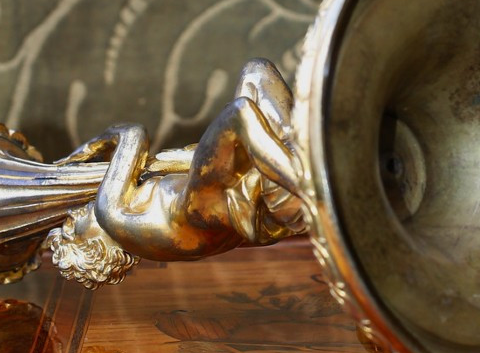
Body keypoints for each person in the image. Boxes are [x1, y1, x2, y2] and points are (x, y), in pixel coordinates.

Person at [45, 59, 307, 287]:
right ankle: (302, 182)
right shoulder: (110, 216)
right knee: (240, 112)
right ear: (92, 245)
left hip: (223, 208)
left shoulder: (146, 240)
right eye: (72, 227)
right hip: (200, 205)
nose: (75, 213)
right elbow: (131, 134)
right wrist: (93, 146)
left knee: (256, 72)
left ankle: (294, 150)